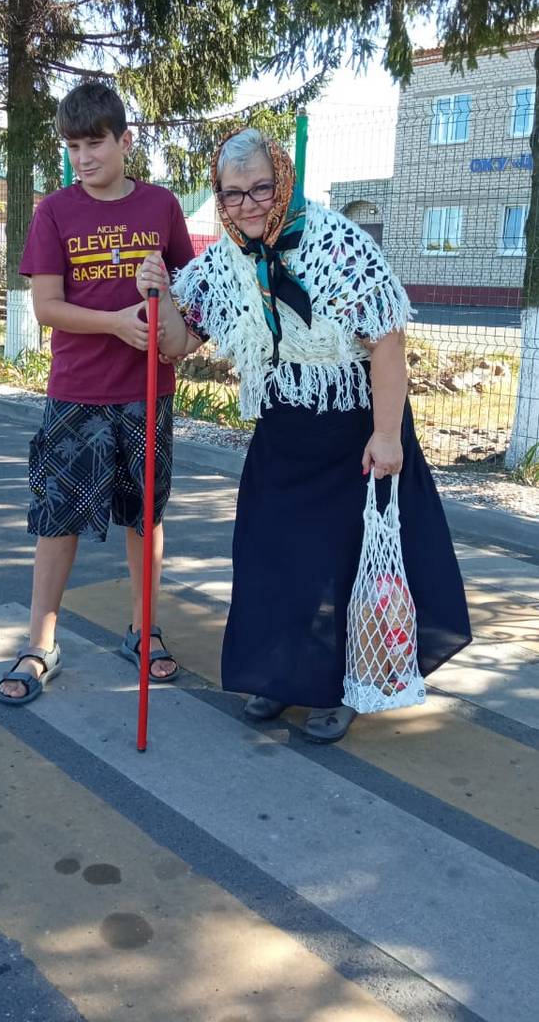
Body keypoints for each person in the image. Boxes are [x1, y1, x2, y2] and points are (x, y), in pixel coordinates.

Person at [136, 127, 471, 743]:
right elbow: (180, 343)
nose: (247, 204)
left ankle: (343, 688)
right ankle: (280, 676)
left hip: (353, 425)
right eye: (232, 193)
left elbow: (388, 340)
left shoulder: (335, 243)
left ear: (284, 181)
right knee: (270, 554)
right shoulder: (225, 260)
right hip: (285, 423)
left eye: (260, 188)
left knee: (340, 562)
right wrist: (157, 298)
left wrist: (388, 436)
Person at [0, 82, 194, 705]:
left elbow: (189, 291)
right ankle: (40, 643)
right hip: (77, 391)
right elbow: (47, 307)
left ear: (125, 140)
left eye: (95, 144)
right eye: (73, 146)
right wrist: (115, 323)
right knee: (58, 518)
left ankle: (144, 629)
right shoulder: (56, 211)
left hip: (146, 391)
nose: (83, 158)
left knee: (145, 517)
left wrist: (164, 297)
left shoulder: (161, 206)